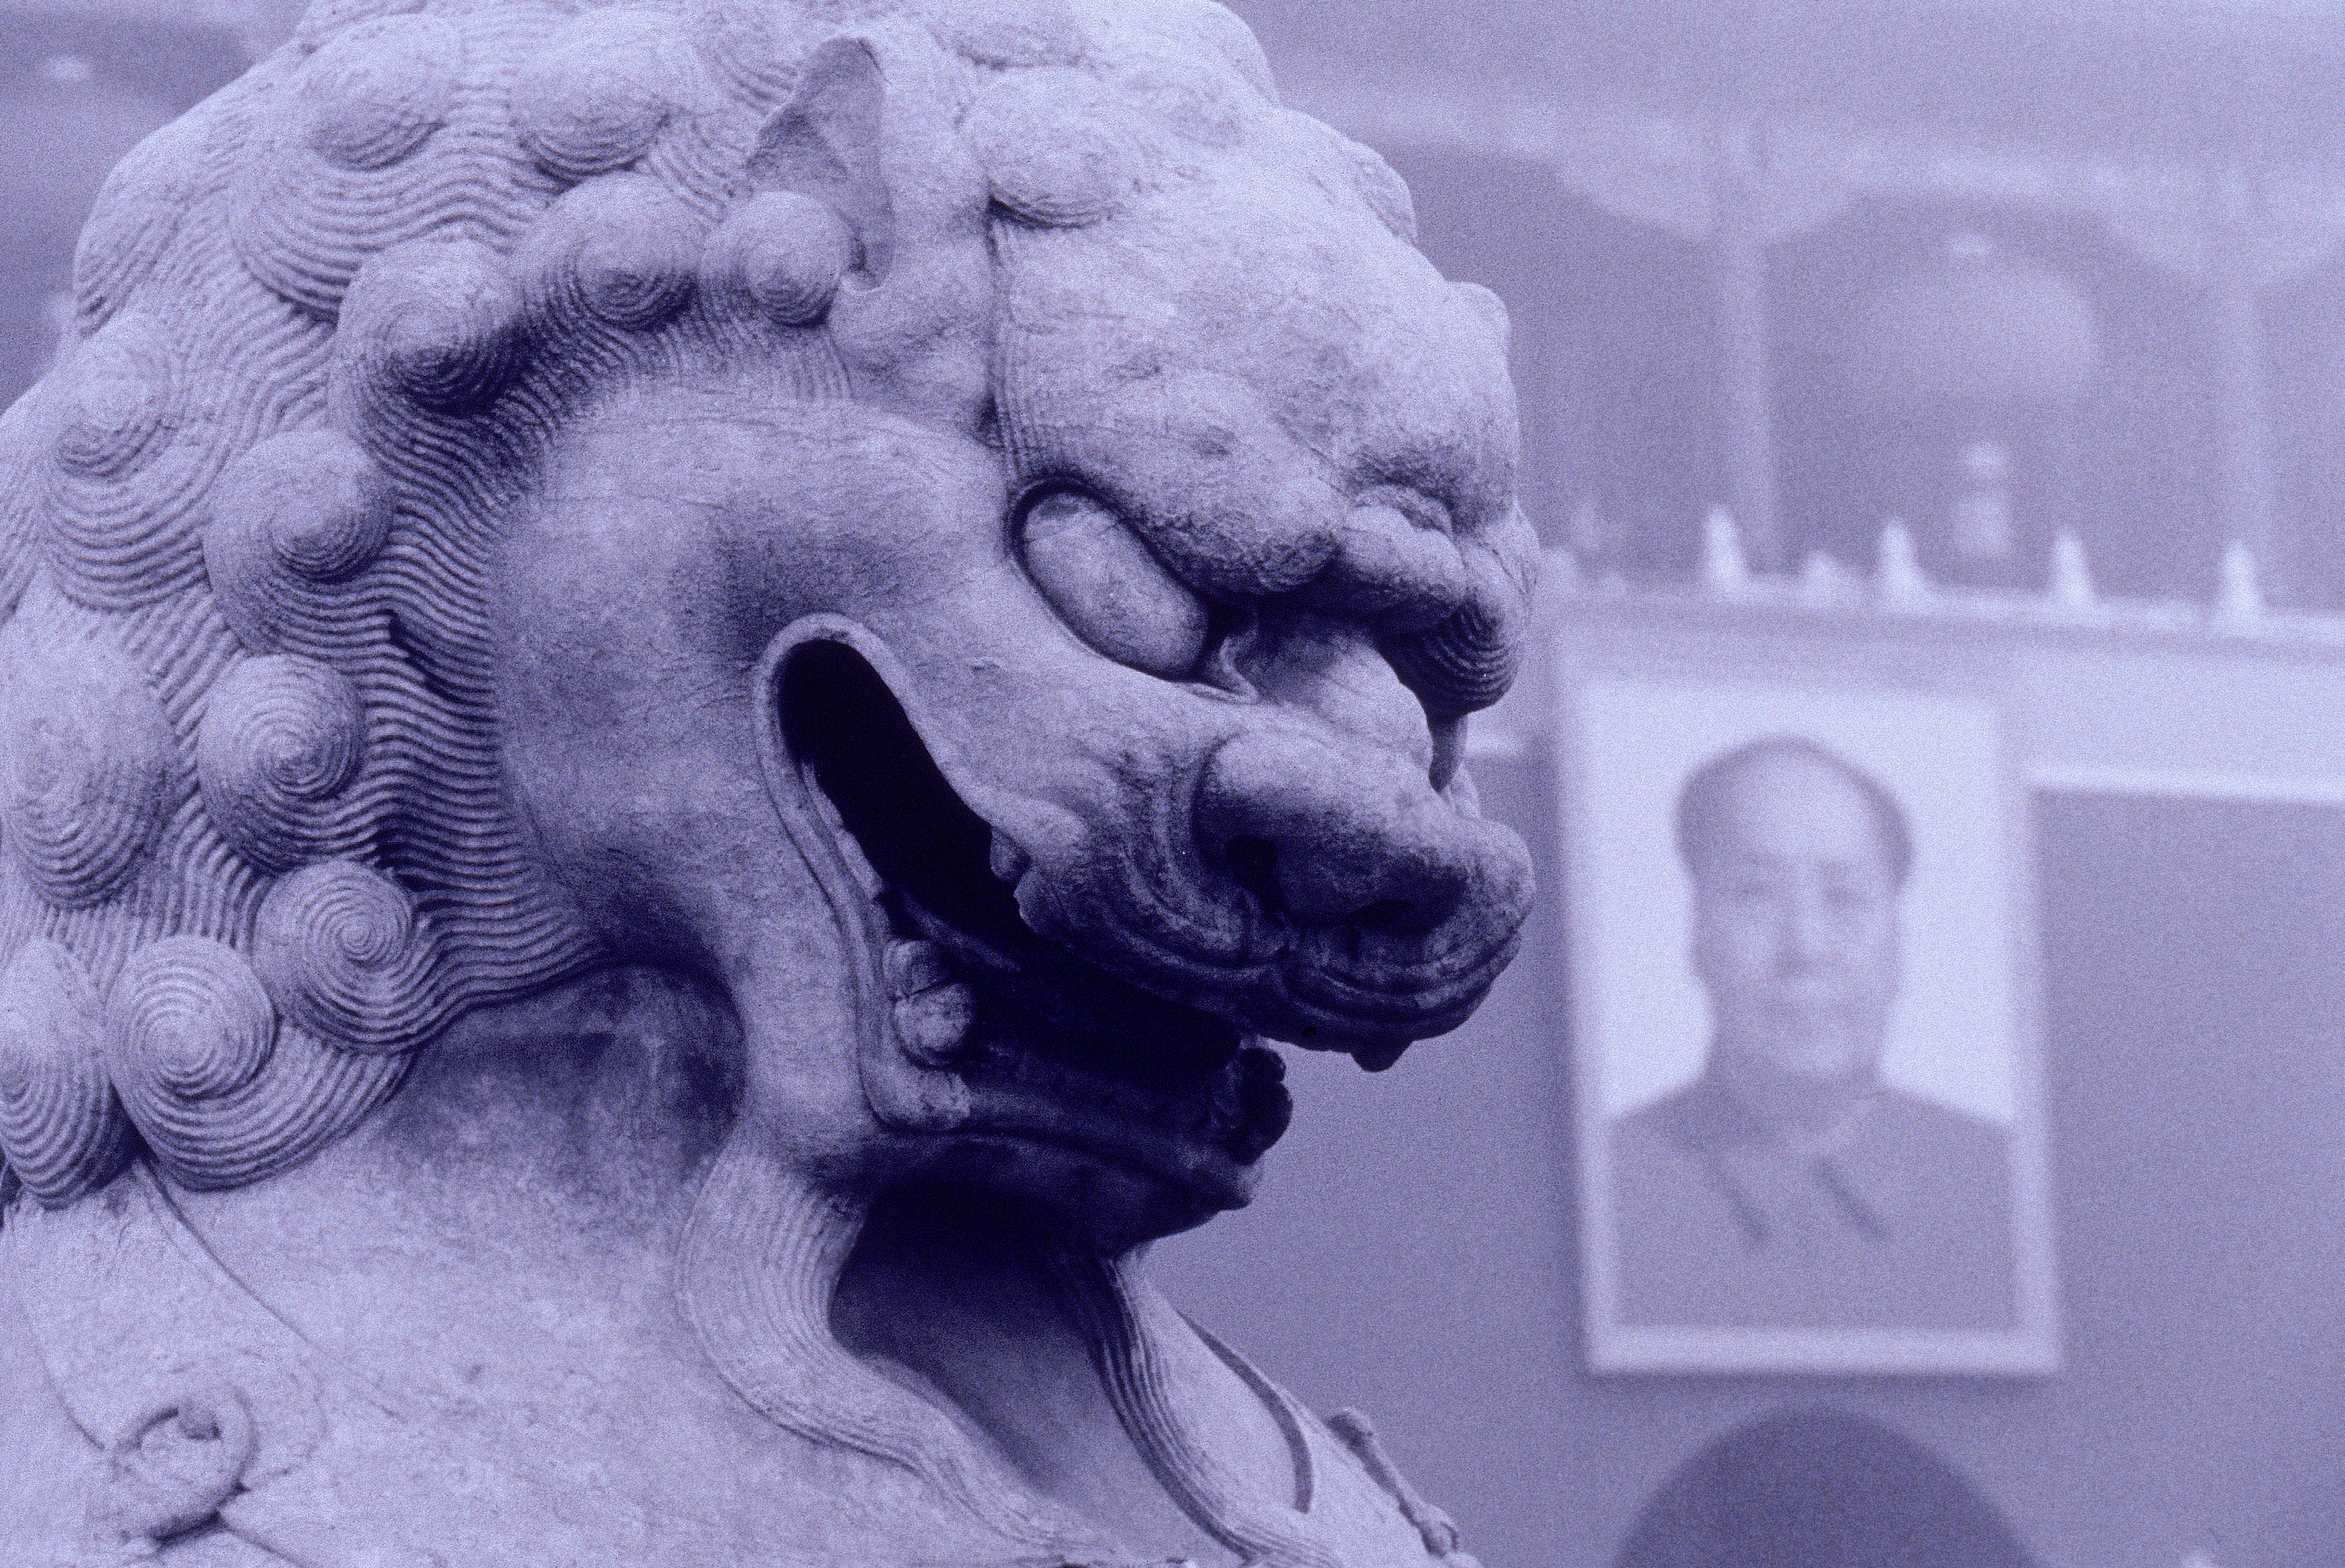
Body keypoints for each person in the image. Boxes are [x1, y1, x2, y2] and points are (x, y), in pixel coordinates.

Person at [1609, 735, 2018, 1332]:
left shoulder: (1999, 1190)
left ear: (1899, 942)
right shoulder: (1614, 1190)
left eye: (1845, 898)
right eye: (1757, 894)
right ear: (1696, 932)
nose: (1805, 948)